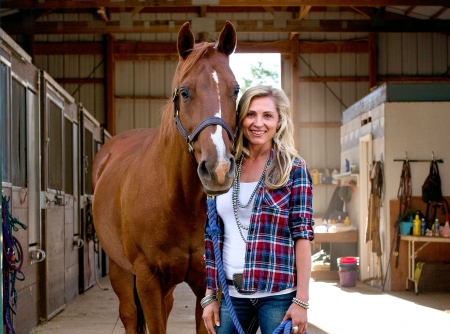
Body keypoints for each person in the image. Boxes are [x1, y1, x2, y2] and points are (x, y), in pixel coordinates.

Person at [202, 85, 314, 334]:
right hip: (231, 295)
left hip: (278, 295)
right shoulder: (226, 168)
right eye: (251, 114)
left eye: (267, 115)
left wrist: (301, 301)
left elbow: (302, 236)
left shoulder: (294, 169)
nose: (258, 123)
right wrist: (210, 295)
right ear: (240, 119)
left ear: (279, 121)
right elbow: (212, 235)